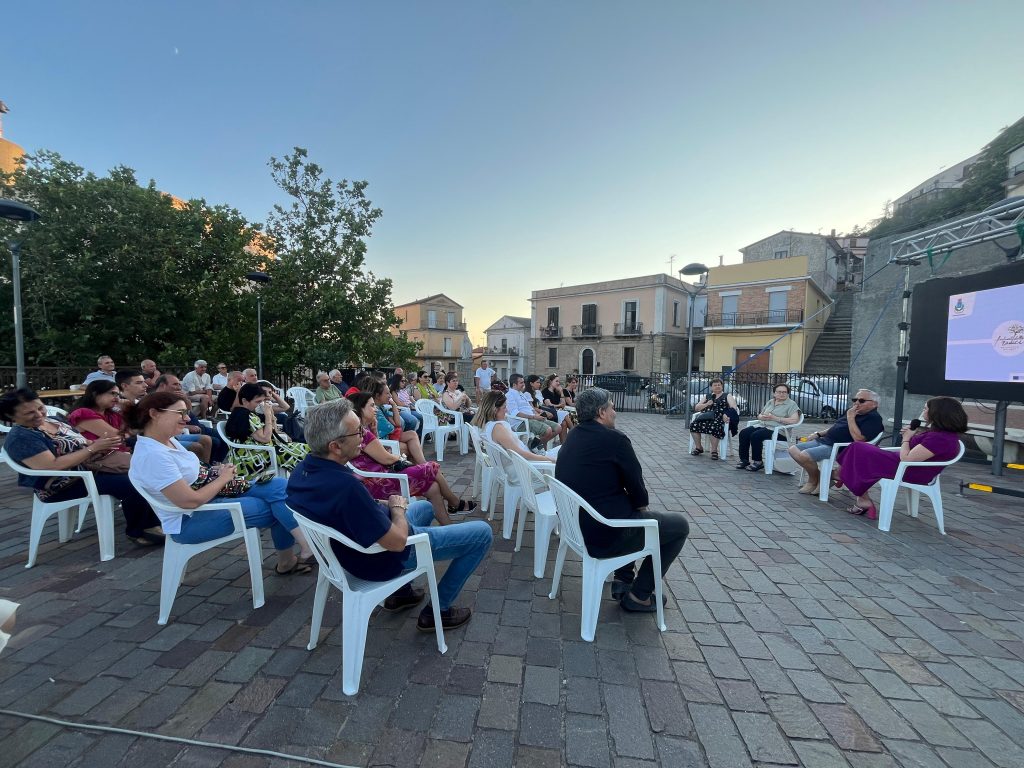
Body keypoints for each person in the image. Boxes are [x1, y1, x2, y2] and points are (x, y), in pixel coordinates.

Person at [288, 399, 492, 629]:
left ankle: (401, 594)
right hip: (380, 557)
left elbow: (348, 508)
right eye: (358, 432)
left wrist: (378, 503)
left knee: (424, 507)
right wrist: (396, 510)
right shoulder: (345, 488)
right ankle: (439, 612)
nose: (364, 435)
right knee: (482, 534)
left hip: (350, 550)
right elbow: (396, 542)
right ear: (335, 446)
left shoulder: (304, 471)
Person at [127, 391, 313, 574]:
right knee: (277, 505)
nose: (186, 419)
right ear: (154, 414)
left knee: (280, 486)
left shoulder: (167, 442)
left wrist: (214, 471)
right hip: (189, 521)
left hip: (209, 501)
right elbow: (189, 502)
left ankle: (296, 554)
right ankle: (295, 555)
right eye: (180, 413)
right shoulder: (153, 456)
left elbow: (189, 476)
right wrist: (223, 478)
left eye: (186, 413)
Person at [555, 387, 689, 611]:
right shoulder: (615, 439)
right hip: (603, 534)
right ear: (601, 412)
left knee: (631, 511)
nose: (615, 412)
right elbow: (637, 488)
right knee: (678, 526)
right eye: (612, 407)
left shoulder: (573, 436)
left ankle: (623, 579)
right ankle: (639, 595)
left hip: (577, 529)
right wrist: (642, 508)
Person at [0, 388, 163, 546]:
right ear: (11, 416)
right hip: (61, 485)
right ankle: (140, 531)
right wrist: (92, 449)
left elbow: (80, 442)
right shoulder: (21, 438)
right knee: (129, 482)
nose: (38, 414)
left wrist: (100, 445)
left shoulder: (52, 421)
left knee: (141, 472)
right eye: (29, 413)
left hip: (87, 470)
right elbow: (52, 465)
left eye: (40, 408)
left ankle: (155, 522)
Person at [347, 392, 475, 524]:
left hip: (378, 478)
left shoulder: (360, 431)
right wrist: (402, 460)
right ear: (360, 409)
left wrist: (374, 432)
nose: (375, 409)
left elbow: (376, 454)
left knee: (433, 487)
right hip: (381, 482)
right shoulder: (362, 433)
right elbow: (386, 459)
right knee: (431, 468)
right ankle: (455, 502)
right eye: (372, 406)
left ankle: (448, 527)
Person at [837, 397, 966, 518]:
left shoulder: (940, 438)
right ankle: (848, 480)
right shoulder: (940, 434)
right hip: (903, 465)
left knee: (858, 448)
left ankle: (845, 477)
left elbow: (907, 459)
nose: (923, 411)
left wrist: (906, 438)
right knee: (858, 450)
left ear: (938, 413)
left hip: (909, 470)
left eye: (926, 408)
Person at [788, 388, 884, 494]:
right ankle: (820, 478)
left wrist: (851, 418)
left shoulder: (873, 418)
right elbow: (837, 426)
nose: (856, 403)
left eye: (861, 401)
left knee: (805, 456)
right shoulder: (852, 411)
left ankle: (813, 480)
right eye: (855, 400)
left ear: (874, 404)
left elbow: (859, 439)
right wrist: (818, 434)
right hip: (826, 440)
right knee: (793, 449)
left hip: (839, 447)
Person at [225, 383, 309, 481]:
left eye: (262, 401)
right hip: (253, 456)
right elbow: (265, 438)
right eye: (258, 401)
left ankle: (304, 478)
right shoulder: (248, 416)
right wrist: (268, 415)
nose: (261, 404)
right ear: (244, 401)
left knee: (304, 449)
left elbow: (272, 432)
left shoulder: (238, 413)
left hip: (248, 454)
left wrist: (271, 416)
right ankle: (307, 478)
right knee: (306, 451)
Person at [471, 391, 554, 463]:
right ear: (494, 410)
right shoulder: (497, 428)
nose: (506, 410)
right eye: (504, 407)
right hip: (528, 468)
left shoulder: (486, 425)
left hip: (526, 463)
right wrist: (547, 459)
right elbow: (520, 453)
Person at [153, 374, 220, 463]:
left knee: (218, 437)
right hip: (169, 435)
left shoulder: (173, 398)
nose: (179, 387)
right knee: (209, 442)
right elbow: (158, 423)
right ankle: (204, 468)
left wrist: (185, 399)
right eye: (175, 384)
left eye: (179, 384)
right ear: (162, 385)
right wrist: (187, 427)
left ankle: (208, 466)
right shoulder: (154, 401)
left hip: (189, 426)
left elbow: (186, 413)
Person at [736, 383, 801, 471]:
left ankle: (758, 462)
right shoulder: (770, 402)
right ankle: (744, 460)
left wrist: (775, 418)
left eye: (784, 392)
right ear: (774, 393)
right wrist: (761, 417)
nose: (781, 394)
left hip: (779, 431)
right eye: (779, 392)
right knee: (744, 433)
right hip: (763, 425)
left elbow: (795, 420)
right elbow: (760, 414)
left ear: (788, 394)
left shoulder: (791, 404)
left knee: (756, 435)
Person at [365, 378, 428, 465]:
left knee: (412, 435)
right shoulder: (376, 411)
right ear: (377, 395)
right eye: (387, 393)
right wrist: (392, 420)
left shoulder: (382, 408)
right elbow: (391, 428)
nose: (390, 396)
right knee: (410, 446)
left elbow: (397, 424)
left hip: (387, 439)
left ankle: (422, 467)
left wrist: (394, 405)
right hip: (381, 444)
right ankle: (423, 467)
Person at [68, 380, 130, 452]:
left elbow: (129, 431)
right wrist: (130, 434)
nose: (117, 398)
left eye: (118, 395)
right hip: (94, 458)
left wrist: (127, 410)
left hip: (116, 454)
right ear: (95, 394)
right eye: (113, 393)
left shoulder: (111, 414)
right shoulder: (83, 413)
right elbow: (116, 436)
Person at [505, 374, 559, 449]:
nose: (524, 384)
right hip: (522, 422)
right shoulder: (509, 395)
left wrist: (539, 415)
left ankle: (535, 445)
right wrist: (534, 416)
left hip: (532, 419)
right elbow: (516, 413)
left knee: (558, 427)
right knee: (548, 430)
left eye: (523, 382)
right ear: (514, 384)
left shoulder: (521, 394)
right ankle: (538, 448)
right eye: (521, 383)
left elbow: (531, 408)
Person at [688, 378, 736, 460]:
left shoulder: (727, 395)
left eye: (719, 385)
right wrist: (706, 404)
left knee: (714, 425)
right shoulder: (708, 396)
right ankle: (699, 448)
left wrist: (726, 414)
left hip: (720, 418)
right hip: (707, 417)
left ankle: (714, 451)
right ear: (711, 387)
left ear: (722, 386)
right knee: (694, 425)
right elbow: (697, 408)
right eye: (715, 385)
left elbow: (733, 407)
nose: (717, 386)